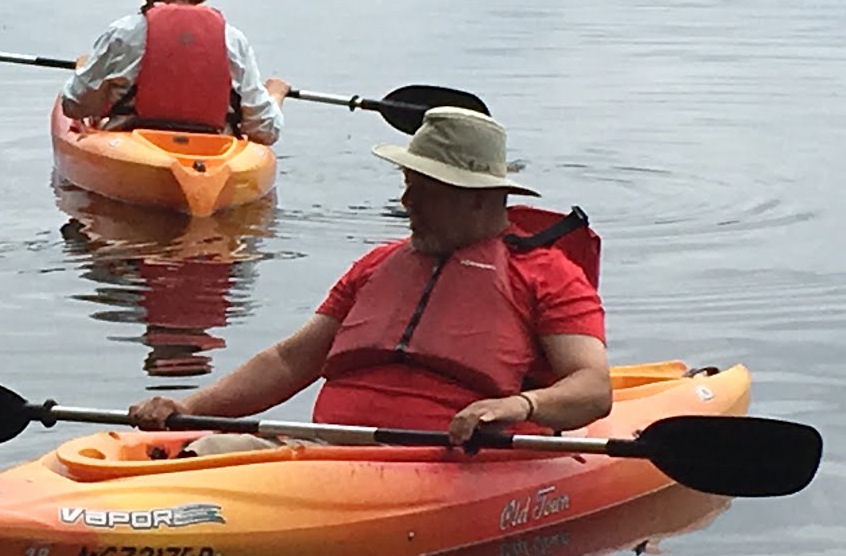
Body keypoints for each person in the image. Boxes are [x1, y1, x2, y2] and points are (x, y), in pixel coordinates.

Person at [128, 106, 611, 447]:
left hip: (457, 463)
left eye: (425, 192)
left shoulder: (549, 276)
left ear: (480, 199)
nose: (406, 203)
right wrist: (187, 408)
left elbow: (592, 387)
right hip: (331, 453)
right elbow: (289, 361)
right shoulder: (379, 263)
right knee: (203, 450)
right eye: (408, 186)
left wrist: (519, 407)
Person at [60, 0, 288, 145]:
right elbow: (265, 130)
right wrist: (276, 95)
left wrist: (83, 69)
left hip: (134, 146)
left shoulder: (124, 34)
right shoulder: (232, 40)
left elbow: (74, 105)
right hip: (212, 151)